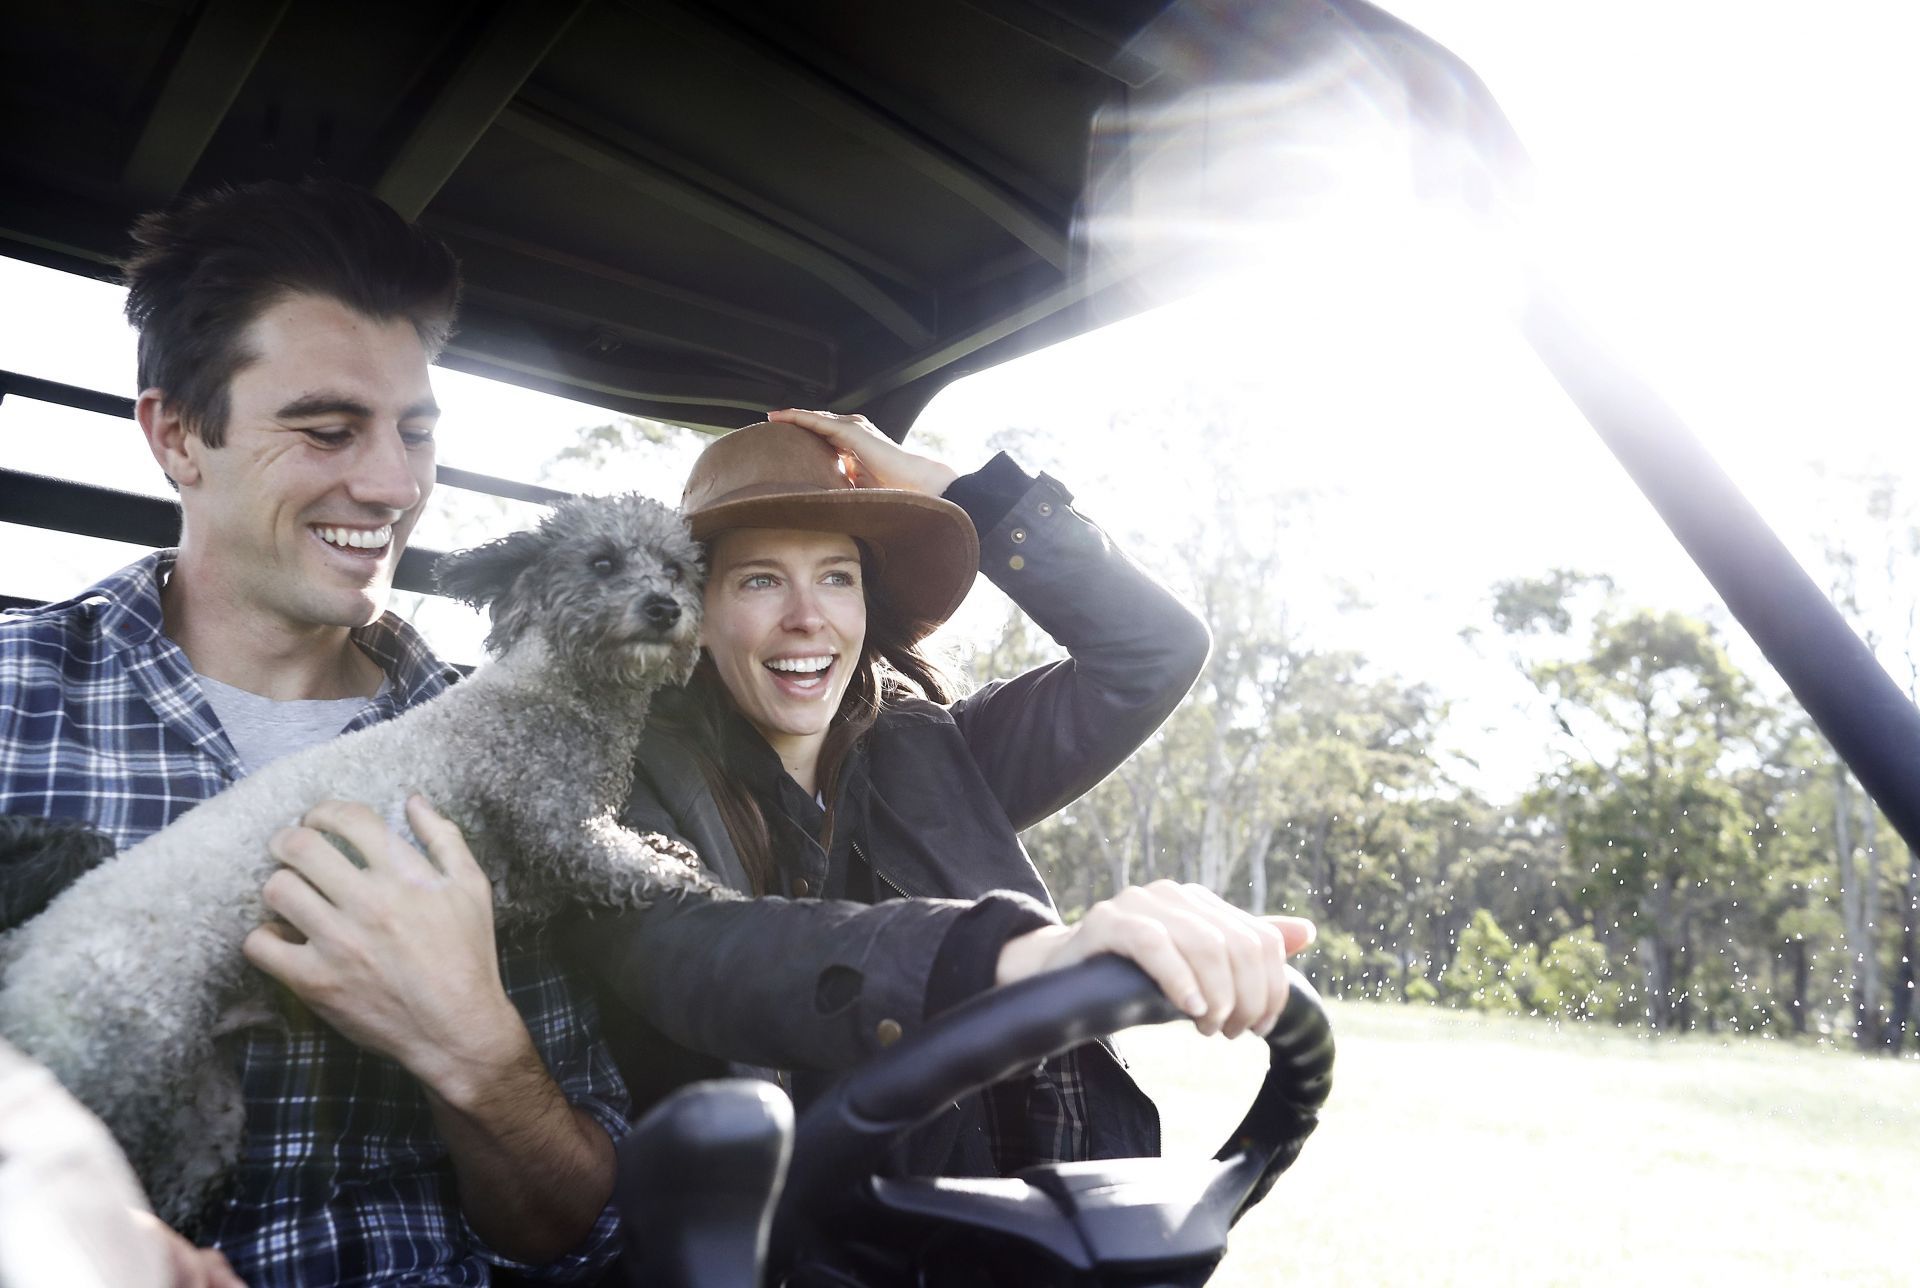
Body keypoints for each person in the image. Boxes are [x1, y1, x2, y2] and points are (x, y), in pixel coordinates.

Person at [0, 178, 630, 1284]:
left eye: (416, 432)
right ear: (179, 435)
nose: (393, 484)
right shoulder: (14, 708)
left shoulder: (511, 748)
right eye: (329, 430)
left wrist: (480, 1058)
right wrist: (71, 1223)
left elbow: (579, 1231)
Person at [572, 411, 1315, 1176]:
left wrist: (965, 495)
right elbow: (696, 951)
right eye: (760, 579)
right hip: (791, 1236)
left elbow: (1154, 651)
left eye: (837, 576)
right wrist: (1011, 956)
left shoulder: (941, 750)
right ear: (692, 616)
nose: (807, 618)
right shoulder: (624, 776)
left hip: (1016, 1219)